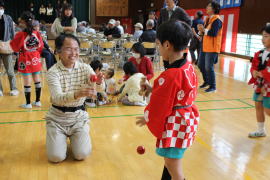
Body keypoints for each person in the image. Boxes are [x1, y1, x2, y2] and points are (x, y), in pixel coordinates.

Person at [136, 20, 199, 180]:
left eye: (158, 44)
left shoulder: (171, 75)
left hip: (176, 123)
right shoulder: (187, 65)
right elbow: (178, 93)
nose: (158, 48)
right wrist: (152, 89)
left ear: (167, 45)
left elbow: (160, 104)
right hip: (187, 117)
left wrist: (148, 117)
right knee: (170, 161)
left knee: (173, 165)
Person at [45, 34, 103, 163]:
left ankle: (76, 135)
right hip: (57, 119)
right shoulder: (53, 72)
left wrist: (98, 83)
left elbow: (98, 89)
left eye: (76, 49)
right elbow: (57, 98)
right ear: (59, 51)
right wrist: (77, 94)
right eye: (69, 49)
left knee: (81, 154)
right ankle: (56, 135)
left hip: (78, 118)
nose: (74, 53)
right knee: (56, 157)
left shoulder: (85, 68)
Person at [0, 11, 44, 108]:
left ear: (23, 22)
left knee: (27, 81)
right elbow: (41, 46)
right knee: (37, 79)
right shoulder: (37, 33)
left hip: (25, 59)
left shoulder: (20, 35)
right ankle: (37, 101)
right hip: (36, 58)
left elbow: (15, 47)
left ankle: (28, 103)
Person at [248, 23, 270, 138]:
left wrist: (262, 73)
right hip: (260, 85)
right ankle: (261, 130)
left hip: (269, 86)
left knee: (268, 110)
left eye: (266, 36)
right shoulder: (259, 53)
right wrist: (254, 72)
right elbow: (254, 66)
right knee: (258, 105)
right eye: (262, 36)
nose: (263, 39)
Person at [198, 1, 223, 93]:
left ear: (214, 9)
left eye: (208, 6)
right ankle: (207, 81)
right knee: (200, 65)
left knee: (209, 67)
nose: (206, 7)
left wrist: (203, 30)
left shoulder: (217, 20)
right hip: (205, 46)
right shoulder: (208, 19)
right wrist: (200, 31)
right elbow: (204, 33)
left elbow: (213, 33)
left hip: (212, 48)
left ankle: (213, 86)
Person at [0, 1, 19, 96]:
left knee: (10, 70)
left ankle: (14, 88)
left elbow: (12, 33)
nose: (0, 10)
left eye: (1, 8)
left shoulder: (8, 18)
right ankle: (0, 90)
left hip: (6, 46)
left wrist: (13, 46)